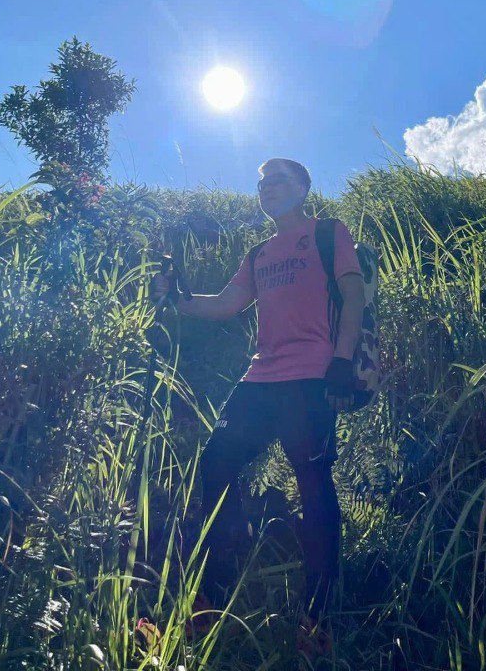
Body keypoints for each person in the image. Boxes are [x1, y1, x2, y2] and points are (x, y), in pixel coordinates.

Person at [154, 157, 365, 653]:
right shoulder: (258, 254)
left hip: (311, 375)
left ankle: (318, 618)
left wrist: (341, 359)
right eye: (262, 183)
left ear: (303, 188)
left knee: (312, 479)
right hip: (261, 377)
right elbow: (227, 303)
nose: (267, 188)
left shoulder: (328, 233)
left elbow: (354, 296)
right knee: (215, 463)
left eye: (278, 181)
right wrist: (179, 298)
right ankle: (212, 598)